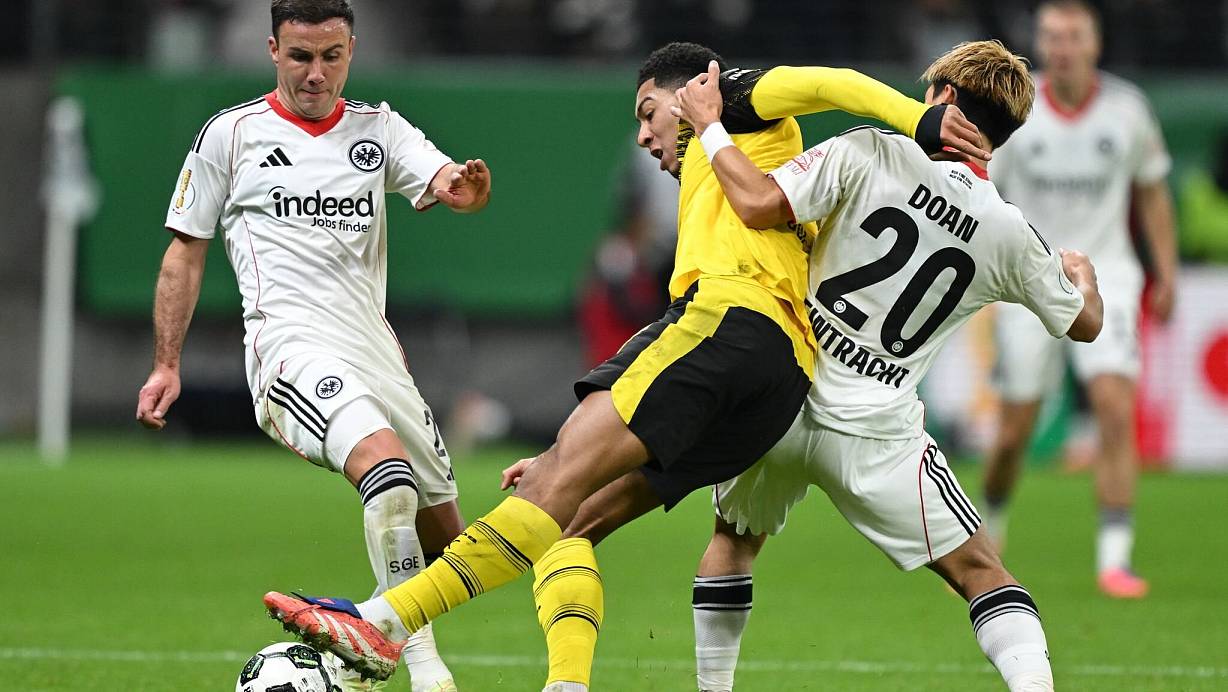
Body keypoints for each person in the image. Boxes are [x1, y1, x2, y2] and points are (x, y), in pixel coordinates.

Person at [262, 41, 990, 689]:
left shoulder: (725, 95)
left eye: (648, 113)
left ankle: (380, 620)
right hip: (778, 384)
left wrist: (917, 121)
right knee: (567, 518)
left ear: (686, 93)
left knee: (551, 482)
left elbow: (831, 80)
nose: (644, 136)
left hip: (727, 323)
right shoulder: (730, 166)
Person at [670, 39, 1103, 692]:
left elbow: (757, 203)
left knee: (732, 540)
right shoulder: (1008, 230)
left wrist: (708, 127)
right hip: (877, 430)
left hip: (784, 395)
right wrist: (1085, 277)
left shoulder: (869, 150)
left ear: (947, 98)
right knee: (982, 572)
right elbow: (1084, 323)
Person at [134, 2, 490, 690]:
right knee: (386, 476)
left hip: (377, 357)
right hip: (290, 348)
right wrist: (165, 364)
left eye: (331, 56)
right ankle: (421, 669)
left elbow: (450, 182)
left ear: (351, 50)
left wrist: (463, 189)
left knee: (455, 545)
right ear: (273, 49)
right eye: (301, 56)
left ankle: (355, 662)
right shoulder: (229, 136)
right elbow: (184, 253)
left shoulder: (376, 130)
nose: (316, 73)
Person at [980, 0, 1178, 599]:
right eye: (1049, 36)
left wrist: (1163, 271)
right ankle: (988, 535)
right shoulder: (1017, 111)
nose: (1059, 46)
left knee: (1115, 408)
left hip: (1109, 273)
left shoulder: (1127, 110)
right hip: (1027, 275)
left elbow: (1152, 193)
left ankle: (1114, 560)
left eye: (1071, 36)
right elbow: (982, 187)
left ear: (1094, 44)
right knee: (1015, 431)